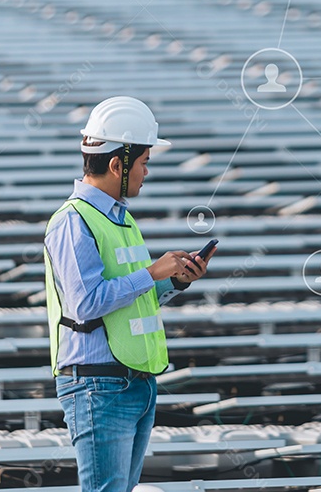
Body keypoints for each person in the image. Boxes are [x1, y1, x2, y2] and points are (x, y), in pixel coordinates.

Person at [44, 96, 213, 492]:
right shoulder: (72, 222)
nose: (146, 172)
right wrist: (153, 270)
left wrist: (175, 280)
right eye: (143, 163)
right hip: (99, 386)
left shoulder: (121, 219)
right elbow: (86, 304)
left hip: (134, 381)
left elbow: (133, 298)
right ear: (118, 164)